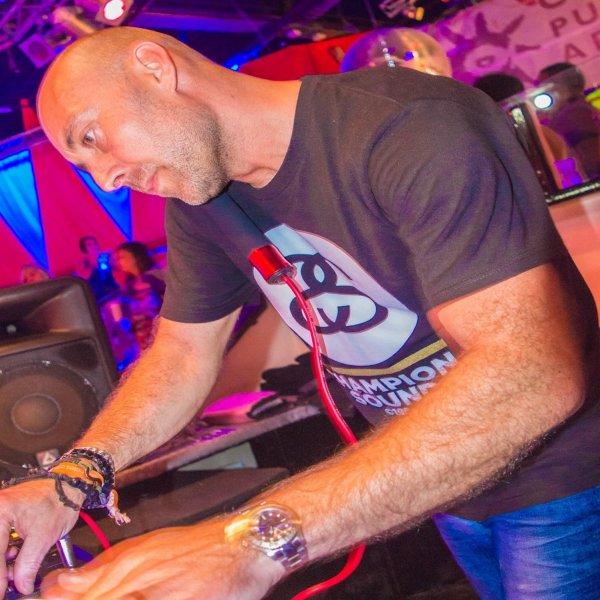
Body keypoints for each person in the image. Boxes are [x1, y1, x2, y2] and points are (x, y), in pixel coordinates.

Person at [1, 26, 598, 599]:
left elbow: (530, 374)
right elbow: (181, 355)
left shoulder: (406, 123)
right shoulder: (199, 198)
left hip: (566, 474)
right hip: (447, 484)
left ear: (155, 68)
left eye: (92, 138)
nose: (106, 180)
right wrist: (74, 477)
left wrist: (252, 544)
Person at [537, 61, 600, 181]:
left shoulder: (575, 112)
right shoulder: (581, 109)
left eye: (545, 85)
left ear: (564, 85)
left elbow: (592, 159)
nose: (540, 92)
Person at [74, 235, 118, 300]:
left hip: (113, 290)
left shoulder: (104, 257)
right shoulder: (82, 263)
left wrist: (112, 258)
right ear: (84, 249)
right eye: (89, 245)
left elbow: (117, 268)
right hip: (97, 295)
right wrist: (95, 260)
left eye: (95, 244)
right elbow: (85, 277)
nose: (93, 246)